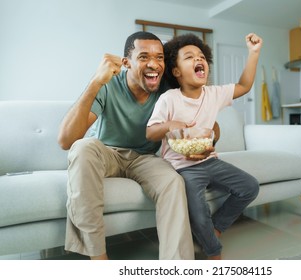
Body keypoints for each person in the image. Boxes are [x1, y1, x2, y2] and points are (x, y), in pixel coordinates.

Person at [57, 31, 196, 260]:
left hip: (145, 158)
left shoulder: (167, 89)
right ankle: (98, 258)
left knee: (172, 181)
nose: (154, 64)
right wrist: (95, 82)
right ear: (126, 63)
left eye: (159, 57)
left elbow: (201, 122)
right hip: (108, 152)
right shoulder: (109, 84)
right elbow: (65, 140)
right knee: (82, 148)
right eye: (143, 57)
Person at [146, 33, 263, 259]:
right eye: (189, 57)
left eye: (201, 56)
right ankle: (213, 252)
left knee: (250, 186)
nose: (198, 59)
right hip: (182, 168)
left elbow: (245, 85)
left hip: (210, 160)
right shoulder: (169, 99)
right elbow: (150, 132)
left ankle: (215, 229)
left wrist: (253, 53)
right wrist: (171, 125)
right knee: (198, 211)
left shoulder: (214, 94)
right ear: (176, 71)